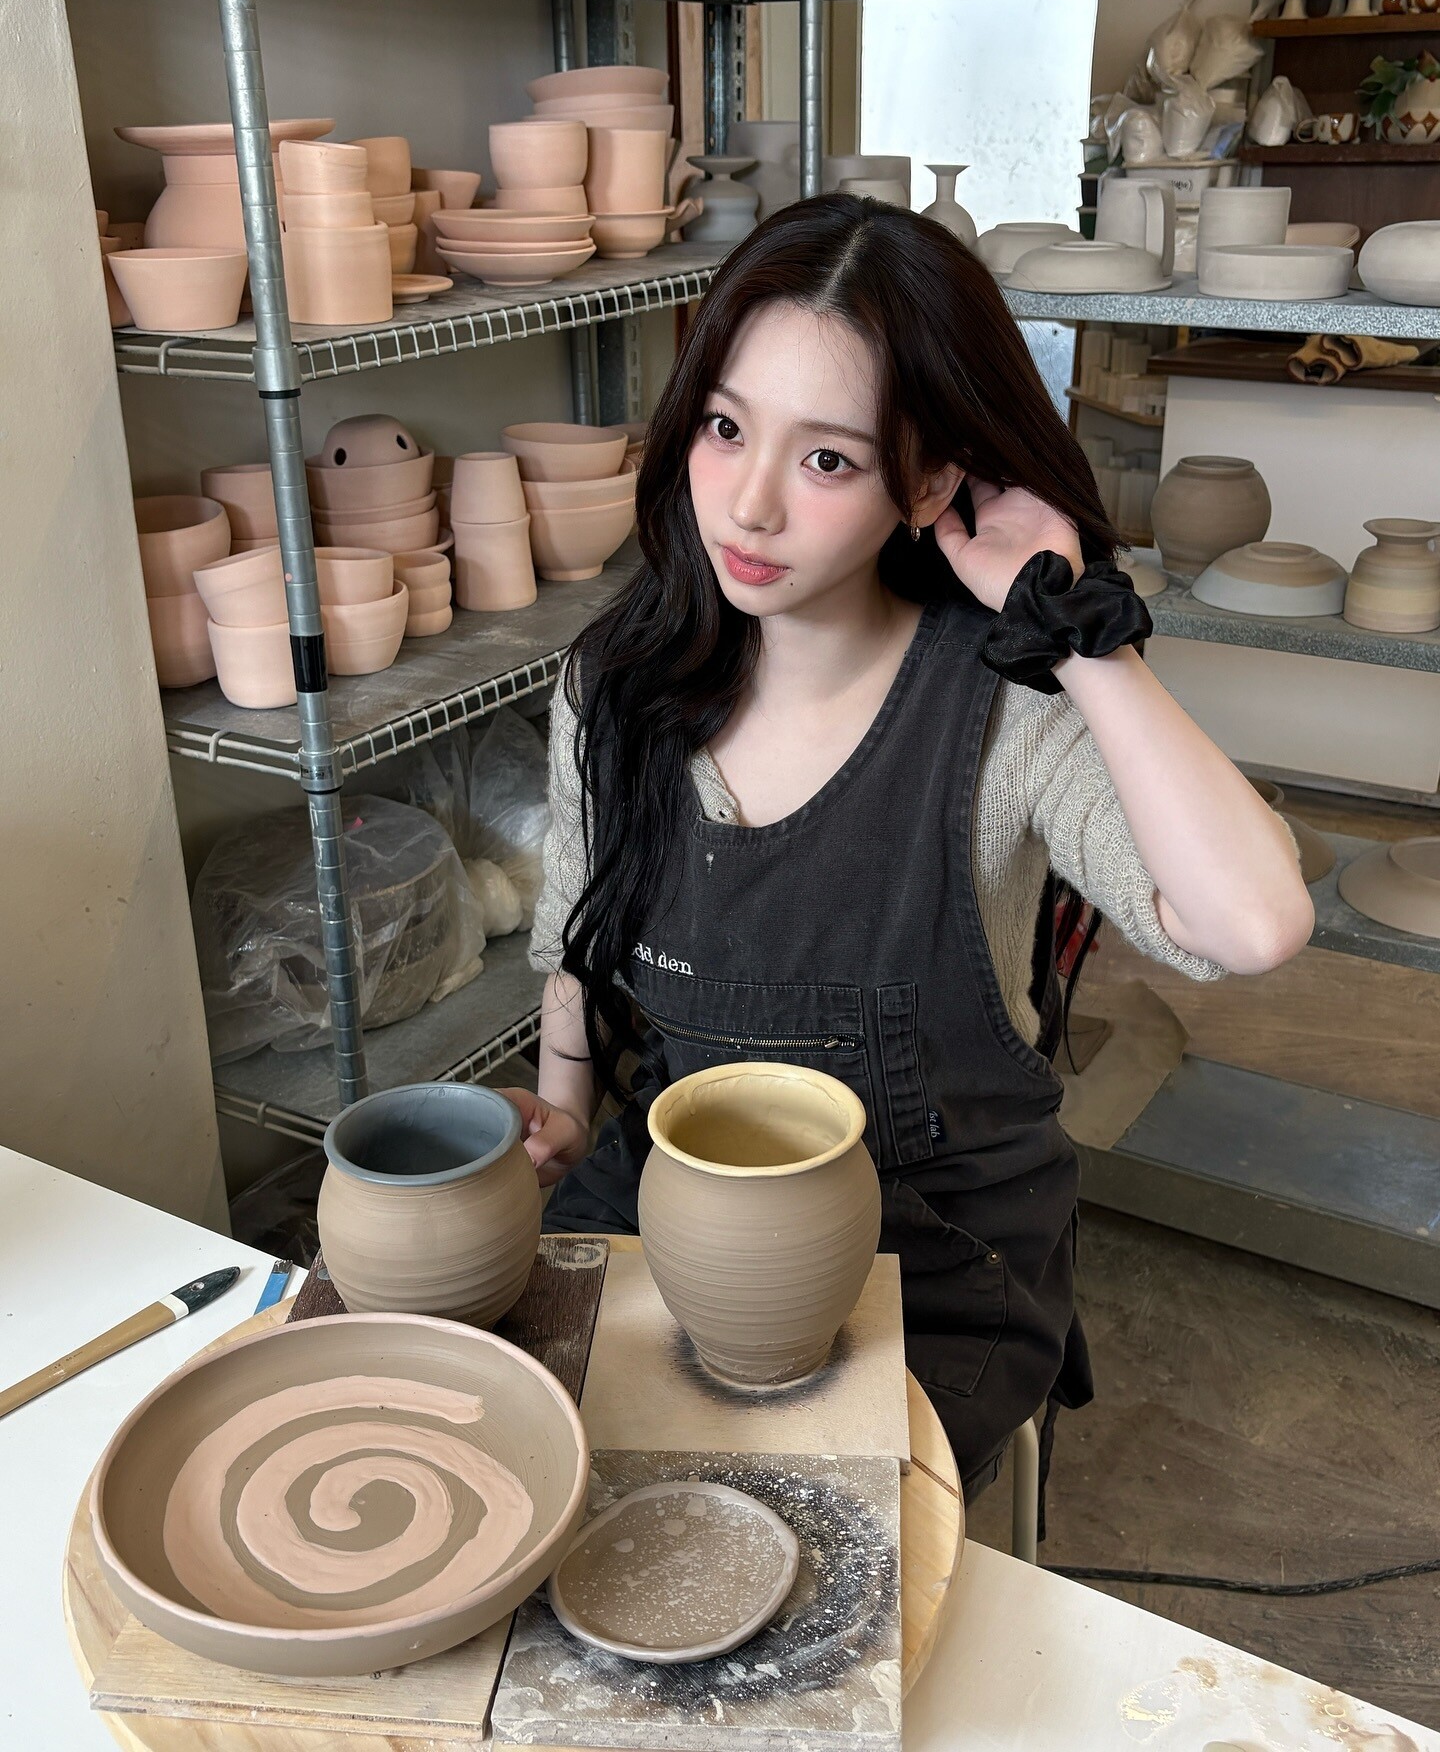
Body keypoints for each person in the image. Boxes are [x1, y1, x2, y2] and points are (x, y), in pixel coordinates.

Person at [501, 193, 1313, 1504]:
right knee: (502, 1449)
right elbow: (574, 952)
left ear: (930, 483)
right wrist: (561, 1111)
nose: (748, 506)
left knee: (756, 1542)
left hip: (930, 1253)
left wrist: (1072, 631)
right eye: (725, 429)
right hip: (673, 1194)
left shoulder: (1009, 708)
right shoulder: (618, 687)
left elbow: (1254, 923)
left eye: (828, 460)